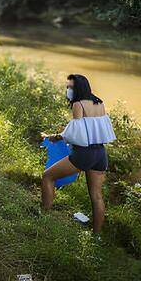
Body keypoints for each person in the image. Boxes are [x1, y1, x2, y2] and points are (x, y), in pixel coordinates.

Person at [41, 74, 117, 234]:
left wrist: (53, 137)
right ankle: (96, 235)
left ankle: (43, 217)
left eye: (70, 87)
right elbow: (95, 130)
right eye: (67, 86)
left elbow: (75, 133)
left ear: (78, 88)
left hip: (84, 154)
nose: (68, 90)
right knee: (96, 195)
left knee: (48, 176)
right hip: (100, 154)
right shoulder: (99, 102)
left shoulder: (78, 104)